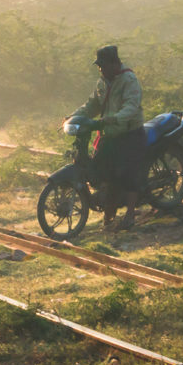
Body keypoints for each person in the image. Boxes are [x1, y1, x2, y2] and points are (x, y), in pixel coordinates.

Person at [68, 44, 146, 231]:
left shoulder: (129, 80)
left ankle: (129, 217)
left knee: (128, 175)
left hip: (129, 133)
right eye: (99, 66)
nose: (100, 69)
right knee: (102, 173)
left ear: (114, 63)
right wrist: (73, 116)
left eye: (103, 65)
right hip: (109, 133)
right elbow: (91, 105)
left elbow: (131, 106)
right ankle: (109, 215)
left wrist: (115, 118)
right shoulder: (102, 82)